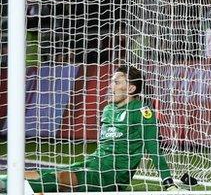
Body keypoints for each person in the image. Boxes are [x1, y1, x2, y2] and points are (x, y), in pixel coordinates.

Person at [0, 66, 178, 193]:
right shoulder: (108, 110)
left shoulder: (141, 111)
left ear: (131, 88)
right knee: (37, 173)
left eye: (117, 82)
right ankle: (4, 183)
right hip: (93, 164)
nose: (111, 86)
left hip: (112, 175)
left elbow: (154, 148)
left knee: (61, 178)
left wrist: (168, 182)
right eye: (112, 82)